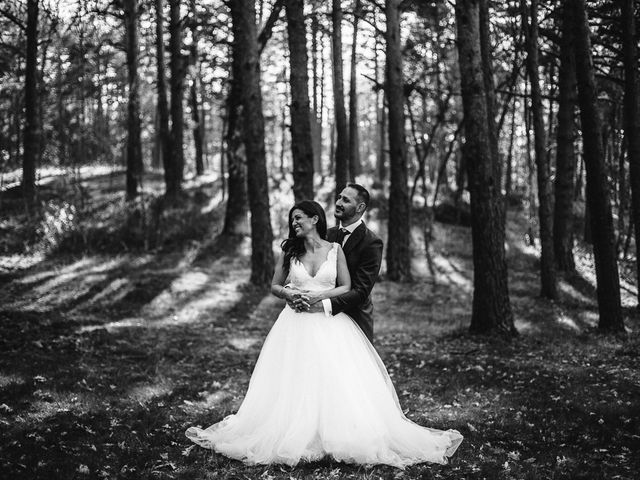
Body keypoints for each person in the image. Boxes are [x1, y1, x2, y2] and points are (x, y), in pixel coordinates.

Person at [185, 200, 462, 468]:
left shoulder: (335, 250)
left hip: (330, 322)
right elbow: (274, 286)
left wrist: (318, 298)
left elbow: (346, 286)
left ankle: (334, 432)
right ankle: (293, 431)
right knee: (295, 377)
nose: (293, 223)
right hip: (294, 322)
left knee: (333, 378)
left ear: (315, 219)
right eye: (291, 219)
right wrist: (291, 294)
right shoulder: (289, 251)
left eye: (298, 218)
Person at [291, 184, 382, 343]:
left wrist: (322, 305)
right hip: (318, 321)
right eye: (339, 197)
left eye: (345, 200)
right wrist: (292, 292)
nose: (338, 202)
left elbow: (361, 291)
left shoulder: (371, 242)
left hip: (354, 317)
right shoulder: (327, 234)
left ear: (360, 207)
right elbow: (302, 267)